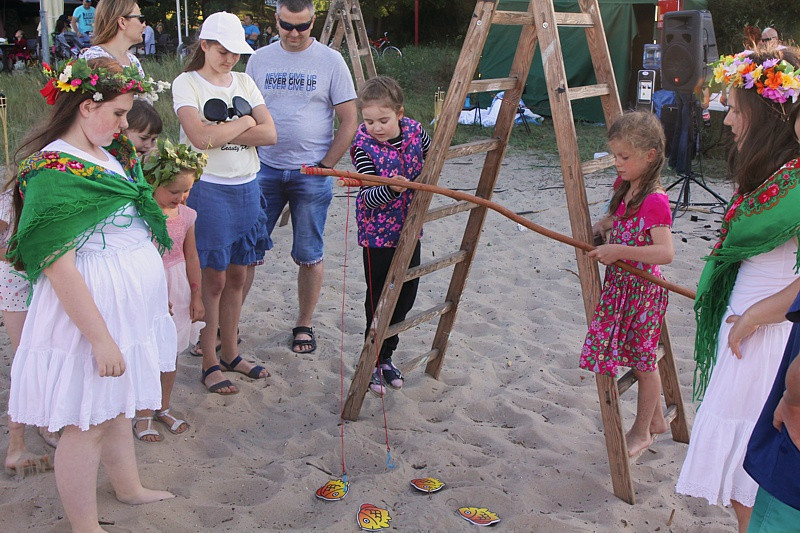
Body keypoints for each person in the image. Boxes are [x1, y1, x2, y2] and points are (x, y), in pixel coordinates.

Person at [7, 56, 174, 531]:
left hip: (127, 306)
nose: (126, 124)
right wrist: (100, 338)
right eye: (119, 113)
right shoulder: (54, 168)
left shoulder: (110, 154)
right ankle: (84, 526)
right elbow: (57, 265)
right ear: (85, 106)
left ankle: (129, 487)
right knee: (87, 422)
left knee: (116, 406)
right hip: (90, 311)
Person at [675, 48, 800, 533]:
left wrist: (753, 318)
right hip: (747, 331)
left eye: (734, 107)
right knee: (743, 475)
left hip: (771, 340)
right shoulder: (774, 174)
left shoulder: (795, 182)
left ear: (763, 114)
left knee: (756, 470)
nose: (727, 120)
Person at [245, 0, 358, 355]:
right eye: (287, 26)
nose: (294, 34)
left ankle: (304, 324)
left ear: (313, 21)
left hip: (311, 171)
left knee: (309, 252)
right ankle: (226, 326)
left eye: (303, 26)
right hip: (263, 167)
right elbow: (245, 111)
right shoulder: (258, 59)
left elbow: (349, 119)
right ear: (275, 20)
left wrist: (327, 163)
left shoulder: (330, 60)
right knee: (246, 249)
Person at [172, 11, 276, 394]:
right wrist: (246, 123)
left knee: (239, 274)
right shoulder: (187, 83)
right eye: (222, 50)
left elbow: (271, 134)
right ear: (205, 46)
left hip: (247, 186)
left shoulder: (245, 81)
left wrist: (228, 130)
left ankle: (231, 352)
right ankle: (209, 358)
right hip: (208, 188)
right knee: (212, 279)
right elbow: (200, 139)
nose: (230, 58)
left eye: (236, 52)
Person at [579, 111, 674, 458]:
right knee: (638, 356)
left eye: (624, 157)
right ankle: (659, 419)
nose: (617, 163)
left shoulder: (654, 200)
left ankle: (642, 431)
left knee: (644, 363)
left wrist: (619, 249)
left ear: (649, 156)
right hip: (624, 288)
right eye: (615, 155)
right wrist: (605, 228)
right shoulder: (628, 188)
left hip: (644, 293)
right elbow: (617, 221)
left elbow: (665, 252)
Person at [350, 76, 431, 396]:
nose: (376, 127)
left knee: (406, 294)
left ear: (399, 113)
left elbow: (433, 156)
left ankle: (386, 356)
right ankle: (370, 359)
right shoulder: (362, 147)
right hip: (377, 234)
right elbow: (366, 198)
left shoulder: (415, 131)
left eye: (383, 120)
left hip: (410, 229)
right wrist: (390, 189)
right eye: (368, 120)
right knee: (379, 296)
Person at [133, 138, 207, 441]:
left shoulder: (187, 216)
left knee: (171, 351)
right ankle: (141, 414)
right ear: (153, 182)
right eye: (174, 191)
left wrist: (197, 294)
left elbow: (191, 255)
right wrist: (155, 296)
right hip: (149, 282)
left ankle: (163, 406)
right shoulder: (141, 216)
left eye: (187, 190)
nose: (181, 197)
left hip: (178, 283)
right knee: (147, 350)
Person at [1, 186, 59, 475]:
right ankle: (16, 444)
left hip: (45, 281)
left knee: (49, 355)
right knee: (25, 360)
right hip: (15, 284)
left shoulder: (54, 194)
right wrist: (17, 255)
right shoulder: (10, 200)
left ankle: (47, 424)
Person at [80, 0, 146, 77]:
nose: (144, 25)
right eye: (140, 19)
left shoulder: (132, 60)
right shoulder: (94, 57)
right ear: (122, 22)